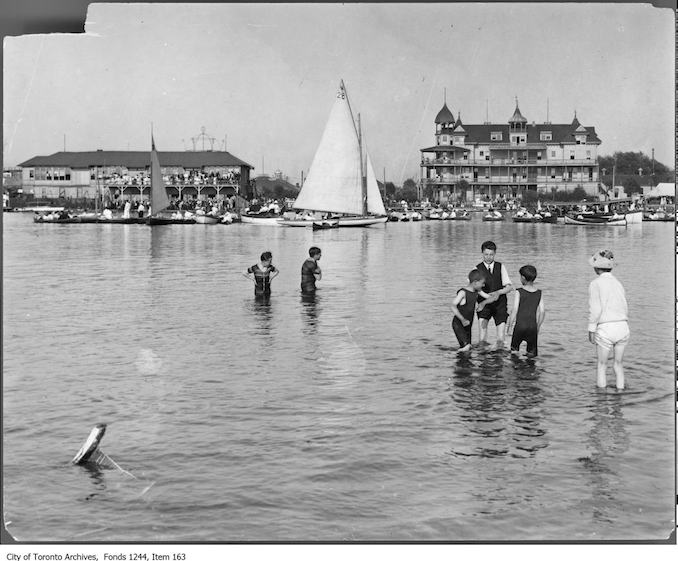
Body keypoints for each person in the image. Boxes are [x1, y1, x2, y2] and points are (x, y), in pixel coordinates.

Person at [588, 249, 629, 390]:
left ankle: (601, 401)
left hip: (606, 328)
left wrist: (591, 329)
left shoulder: (595, 284)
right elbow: (624, 305)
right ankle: (620, 396)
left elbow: (595, 309)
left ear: (596, 267)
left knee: (602, 365)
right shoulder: (618, 283)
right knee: (618, 365)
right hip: (623, 327)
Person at [476, 240, 514, 345]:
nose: (488, 257)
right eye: (486, 254)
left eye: (491, 255)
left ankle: (499, 358)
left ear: (495, 253)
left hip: (500, 305)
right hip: (484, 306)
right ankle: (482, 358)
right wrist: (487, 297)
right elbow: (474, 288)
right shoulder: (476, 269)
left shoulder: (501, 267)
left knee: (501, 339)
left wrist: (498, 292)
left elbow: (509, 287)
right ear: (482, 253)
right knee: (482, 338)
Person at [450, 269, 496, 352]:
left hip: (468, 324)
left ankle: (464, 362)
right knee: (466, 347)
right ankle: (452, 356)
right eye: (482, 283)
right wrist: (462, 319)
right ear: (475, 282)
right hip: (459, 324)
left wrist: (484, 303)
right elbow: (452, 306)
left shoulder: (477, 291)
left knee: (468, 347)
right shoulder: (463, 293)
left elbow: (491, 298)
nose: (483, 285)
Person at [506, 265, 545, 357]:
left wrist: (509, 327)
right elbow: (542, 312)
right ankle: (530, 370)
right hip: (532, 327)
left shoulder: (519, 292)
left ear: (523, 278)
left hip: (520, 326)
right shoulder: (539, 293)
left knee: (514, 352)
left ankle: (516, 369)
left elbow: (514, 310)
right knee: (531, 355)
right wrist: (538, 326)